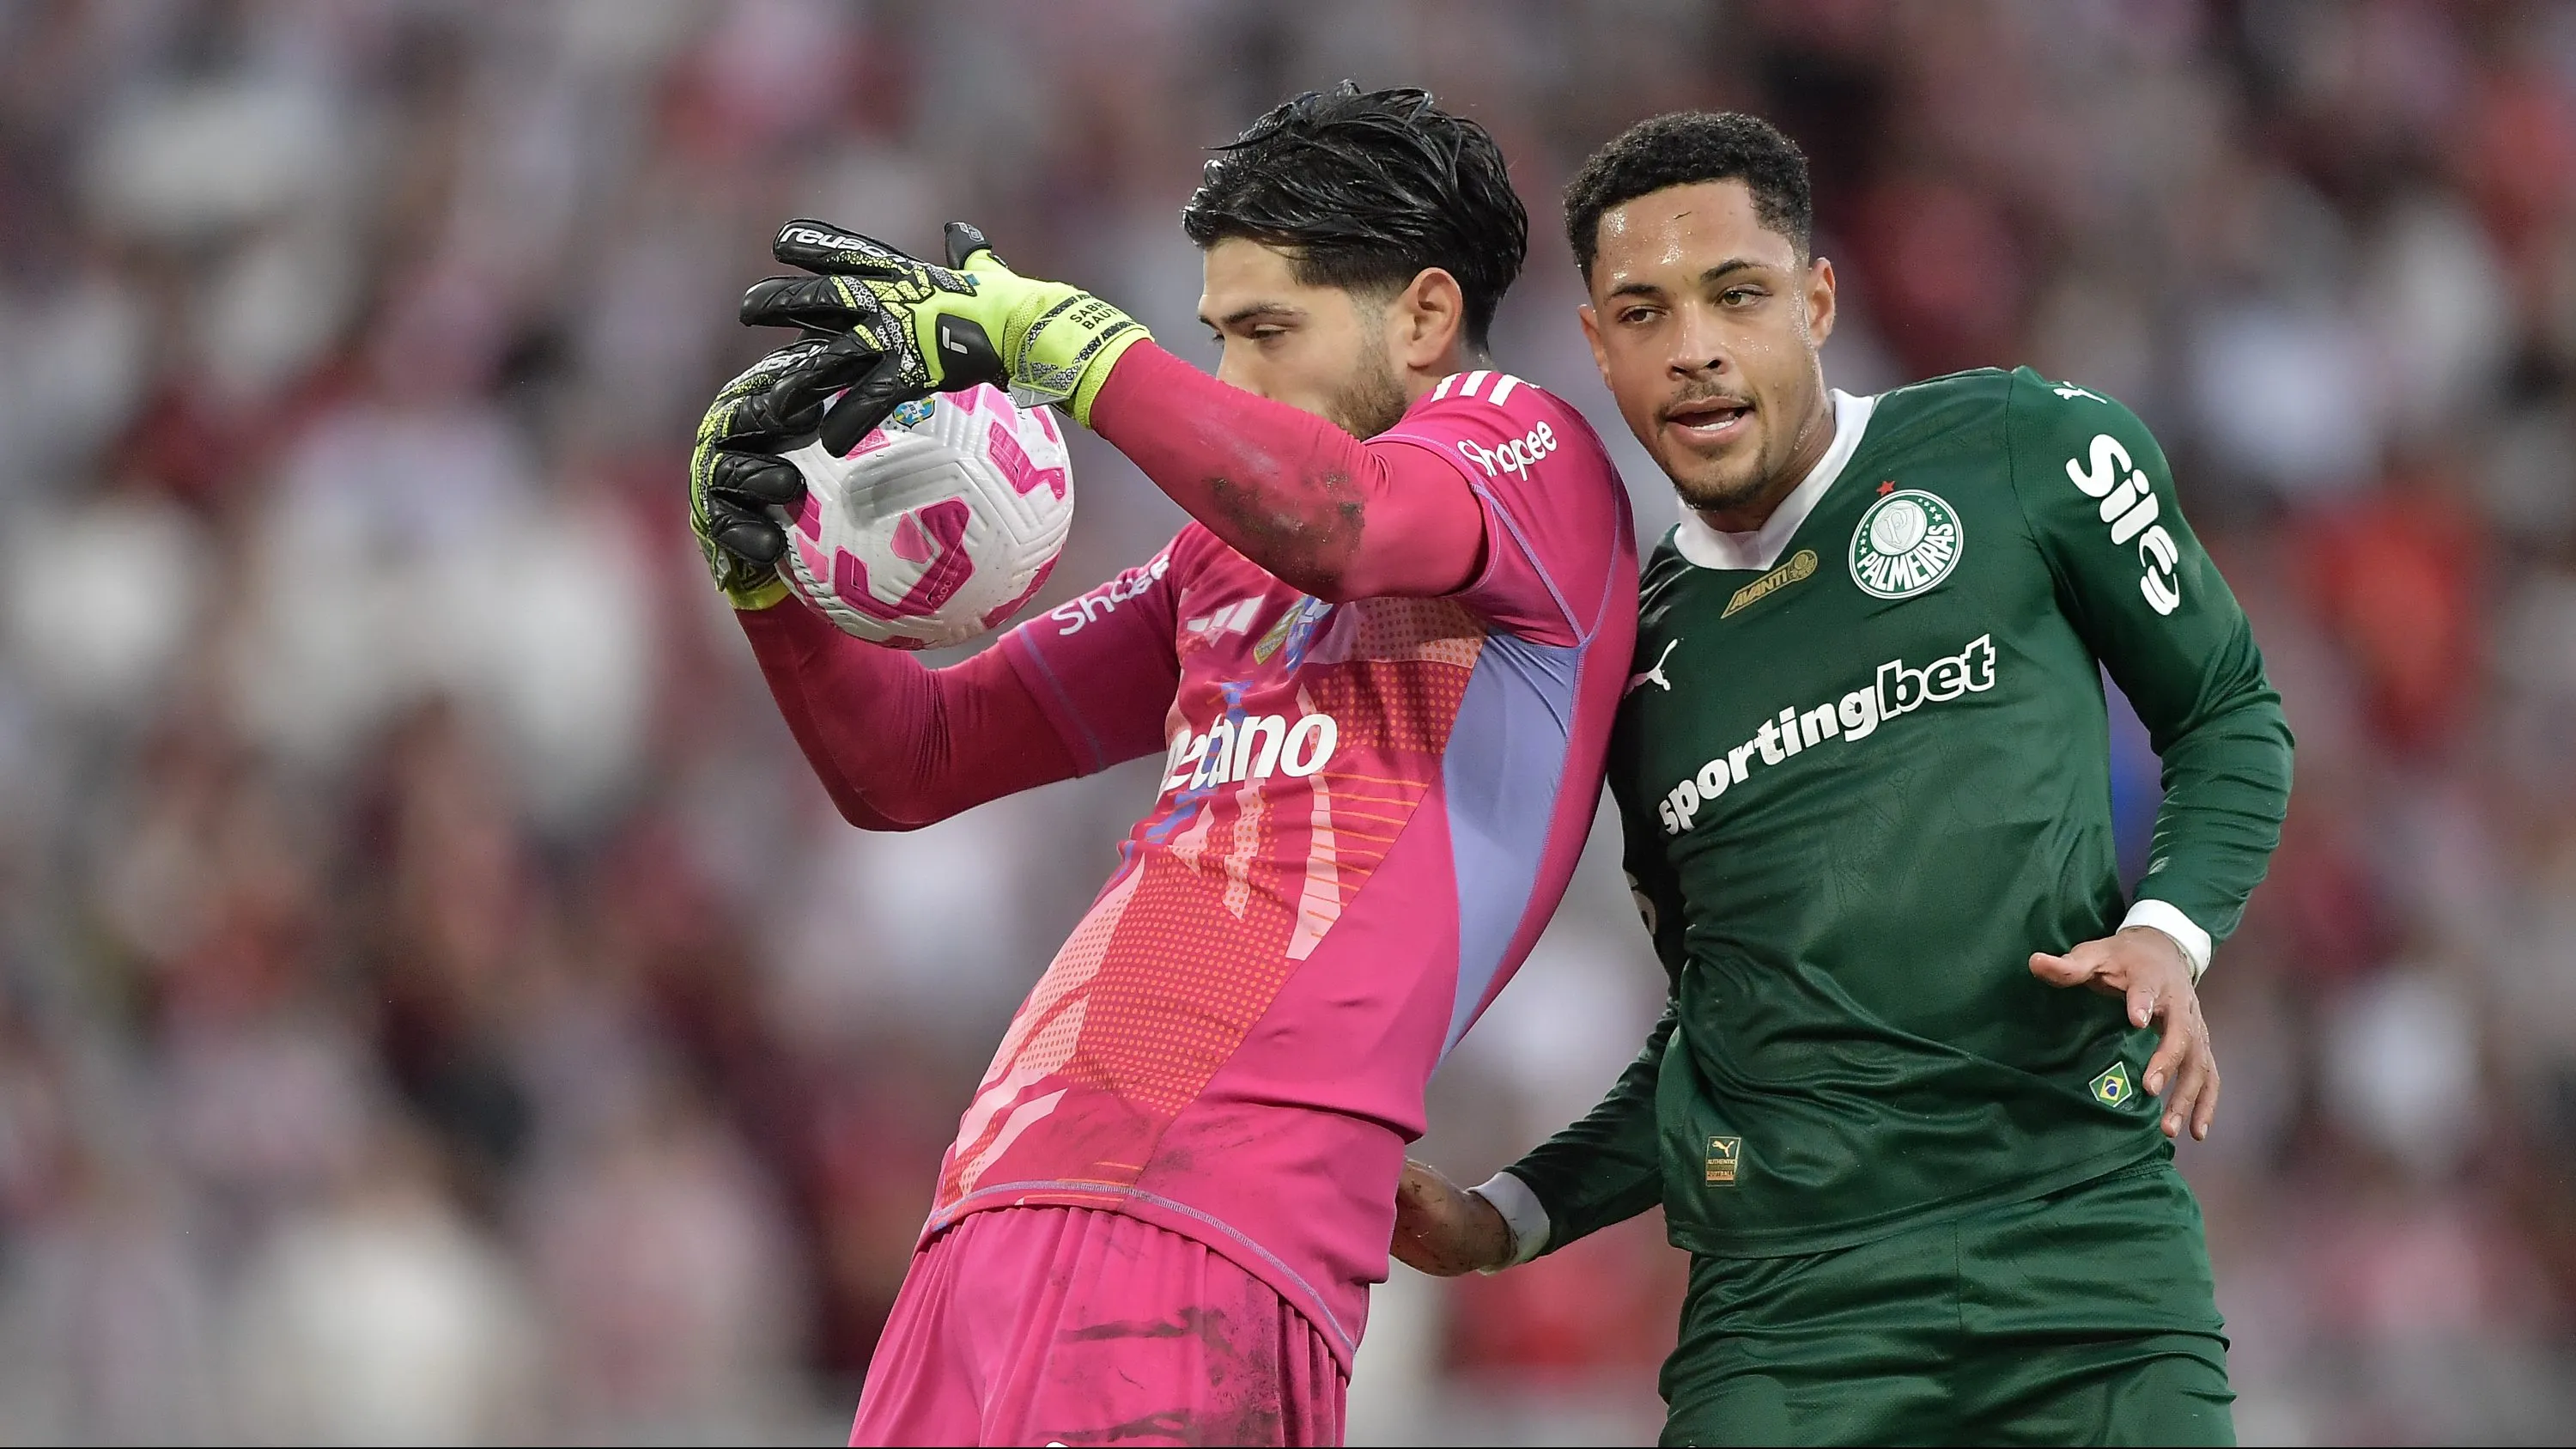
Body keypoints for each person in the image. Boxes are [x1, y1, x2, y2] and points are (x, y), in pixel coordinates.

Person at [688, 84, 1636, 1446]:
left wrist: (1069, 349)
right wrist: (763, 582)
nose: (1233, 379)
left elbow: (1343, 518)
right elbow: (909, 758)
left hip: (1217, 1223)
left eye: (1269, 332)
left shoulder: (1527, 456)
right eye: (1216, 337)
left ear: (1425, 316)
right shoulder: (1216, 561)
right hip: (996, 1200)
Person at [1389, 112, 2293, 1446]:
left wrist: (2169, 929)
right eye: (1643, 312)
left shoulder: (2021, 449)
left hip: (2083, 1249)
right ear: (1597, 347)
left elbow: (2228, 711)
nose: (1692, 346)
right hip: (1793, 1313)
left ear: (1816, 297)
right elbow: (1725, 1021)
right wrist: (1512, 1212)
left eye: (1736, 294)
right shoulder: (1625, 673)